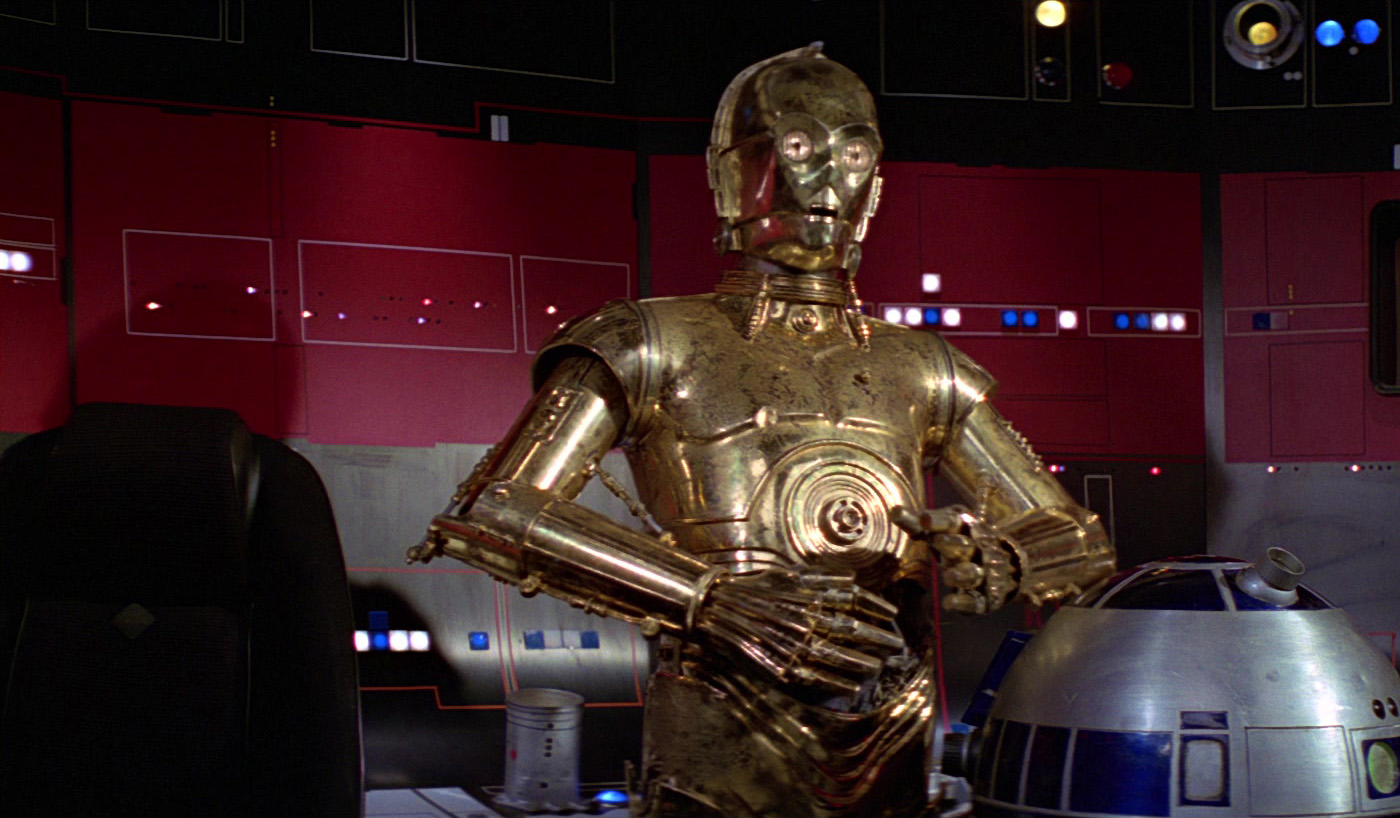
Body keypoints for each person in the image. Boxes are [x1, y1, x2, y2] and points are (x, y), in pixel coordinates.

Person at [409, 44, 1114, 817]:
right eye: (800, 145)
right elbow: (496, 507)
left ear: (876, 182)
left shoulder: (923, 368)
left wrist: (1003, 555)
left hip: (891, 737)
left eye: (854, 152)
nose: (827, 178)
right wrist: (709, 597)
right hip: (721, 737)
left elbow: (1076, 537)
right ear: (732, 172)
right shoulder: (648, 341)